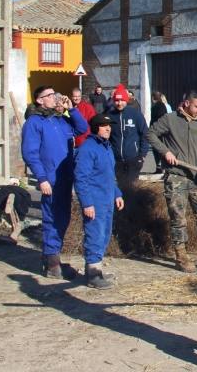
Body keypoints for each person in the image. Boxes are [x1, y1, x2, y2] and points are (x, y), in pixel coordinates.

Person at [21, 85, 88, 278]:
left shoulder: (59, 119)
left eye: (54, 94)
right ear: (40, 100)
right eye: (50, 95)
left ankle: (53, 257)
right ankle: (51, 263)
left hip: (65, 176)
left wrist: (71, 109)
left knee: (63, 217)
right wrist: (41, 178)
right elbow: (30, 153)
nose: (54, 97)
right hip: (50, 178)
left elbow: (82, 128)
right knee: (52, 218)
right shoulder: (34, 122)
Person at [148, 91, 197, 272]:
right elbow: (151, 134)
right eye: (196, 107)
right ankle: (181, 257)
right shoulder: (170, 119)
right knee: (178, 218)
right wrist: (165, 152)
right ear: (186, 103)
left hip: (196, 177)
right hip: (176, 176)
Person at [73, 114, 125, 289]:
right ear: (96, 128)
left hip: (107, 198)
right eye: (104, 126)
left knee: (104, 234)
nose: (108, 128)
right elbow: (81, 178)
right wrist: (87, 203)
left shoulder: (107, 147)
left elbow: (110, 175)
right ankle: (93, 274)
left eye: (109, 125)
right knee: (95, 234)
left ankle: (97, 269)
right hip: (95, 200)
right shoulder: (88, 148)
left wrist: (117, 193)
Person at [108, 84, 150, 191]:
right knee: (120, 187)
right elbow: (106, 136)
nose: (119, 103)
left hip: (133, 159)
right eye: (117, 101)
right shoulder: (109, 115)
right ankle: (122, 207)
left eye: (122, 100)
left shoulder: (135, 114)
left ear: (126, 100)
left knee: (131, 188)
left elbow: (145, 134)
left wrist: (142, 155)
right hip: (117, 160)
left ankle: (133, 207)